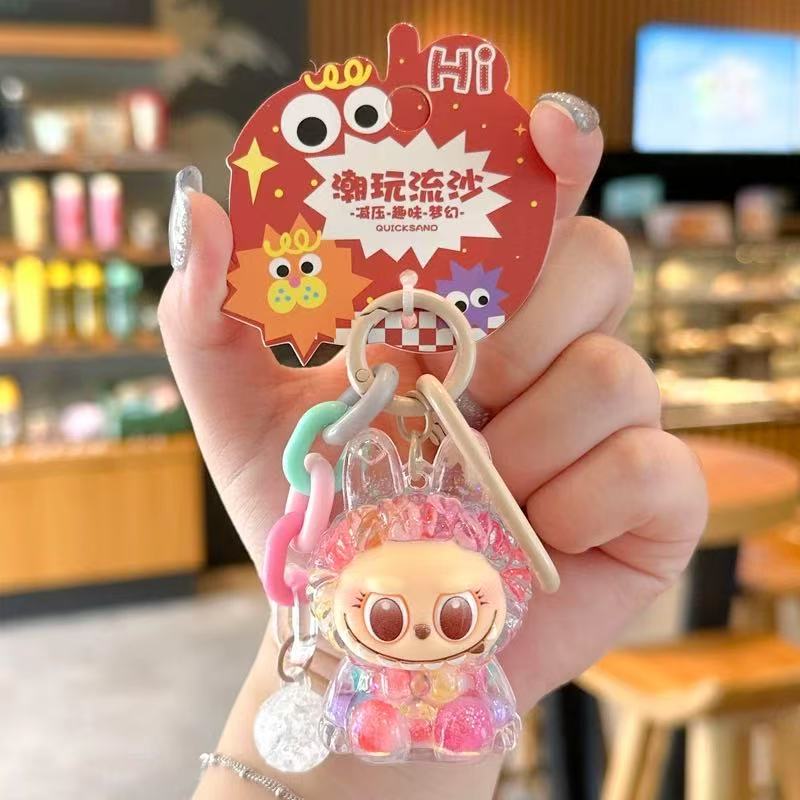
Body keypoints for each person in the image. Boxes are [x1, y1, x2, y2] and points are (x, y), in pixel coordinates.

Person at [161, 92, 707, 800]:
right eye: (389, 619)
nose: (421, 635)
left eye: (451, 618)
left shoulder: (466, 618)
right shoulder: (343, 547)